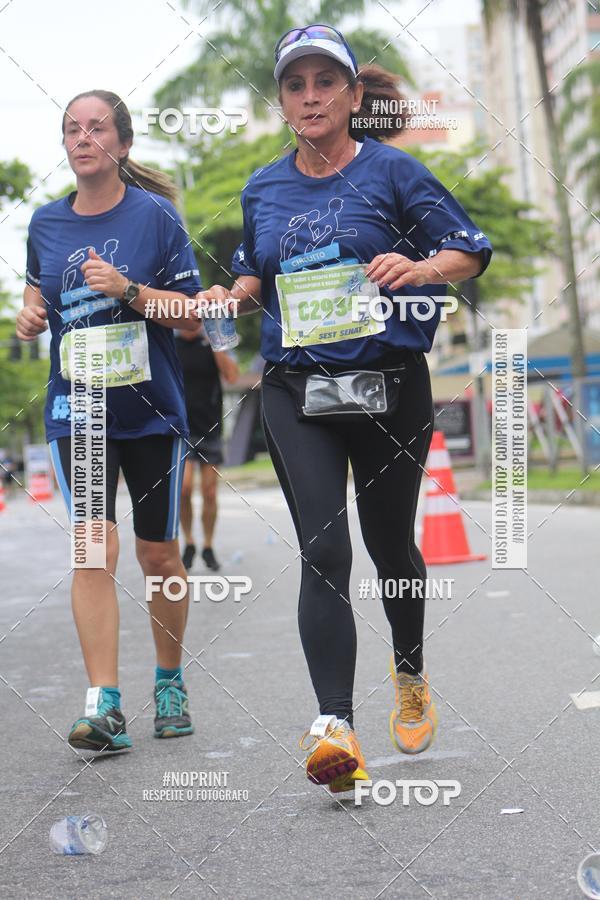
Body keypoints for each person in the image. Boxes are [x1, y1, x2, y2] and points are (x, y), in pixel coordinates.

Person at [199, 25, 493, 793]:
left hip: (391, 385)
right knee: (325, 551)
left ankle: (410, 673)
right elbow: (250, 282)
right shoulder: (263, 188)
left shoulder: (395, 171)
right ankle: (335, 728)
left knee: (390, 547)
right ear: (283, 102)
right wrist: (216, 302)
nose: (310, 96)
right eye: (295, 85)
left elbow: (469, 248)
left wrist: (421, 264)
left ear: (353, 96)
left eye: (325, 82)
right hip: (297, 389)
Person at [16, 89, 205, 752]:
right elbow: (39, 291)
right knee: (94, 546)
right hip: (81, 410)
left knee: (158, 553)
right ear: (65, 146)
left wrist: (128, 290)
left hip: (150, 412)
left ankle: (170, 680)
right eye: (72, 128)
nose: (83, 137)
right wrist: (29, 313)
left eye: (96, 127)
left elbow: (191, 318)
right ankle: (104, 703)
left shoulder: (157, 218)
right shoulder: (45, 222)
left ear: (121, 145)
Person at [175, 320, 239, 572]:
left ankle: (208, 545)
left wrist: (215, 343)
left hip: (210, 426)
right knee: (184, 489)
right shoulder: (170, 343)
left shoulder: (212, 342)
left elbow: (232, 377)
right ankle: (189, 541)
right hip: (180, 428)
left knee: (210, 492)